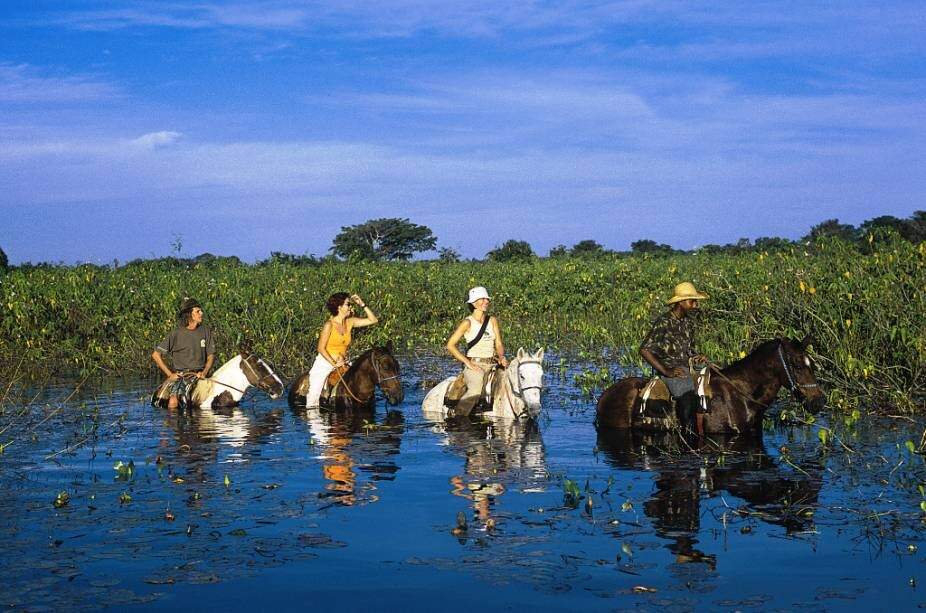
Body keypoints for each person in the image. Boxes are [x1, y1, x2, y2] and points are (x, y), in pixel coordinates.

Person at [639, 282, 709, 435]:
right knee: (687, 395)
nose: (695, 305)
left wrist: (697, 357)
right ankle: (687, 436)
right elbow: (644, 350)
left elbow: (689, 350)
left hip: (686, 367)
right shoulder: (664, 321)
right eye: (692, 301)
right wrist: (666, 371)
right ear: (681, 302)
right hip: (671, 371)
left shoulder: (688, 322)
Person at [305, 292, 378, 408]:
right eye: (348, 304)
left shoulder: (350, 322)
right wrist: (334, 363)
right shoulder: (329, 325)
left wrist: (362, 304)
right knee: (314, 394)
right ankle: (314, 421)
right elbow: (321, 348)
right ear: (339, 307)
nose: (350, 307)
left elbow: (373, 320)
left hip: (343, 361)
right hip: (325, 362)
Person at [445, 286, 509, 417]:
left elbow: (498, 343)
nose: (486, 301)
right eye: (483, 299)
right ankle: (458, 418)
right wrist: (468, 363)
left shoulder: (492, 320)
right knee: (475, 389)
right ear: (474, 303)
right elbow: (450, 345)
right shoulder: (467, 323)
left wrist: (502, 357)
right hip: (475, 365)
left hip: (493, 363)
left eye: (487, 299)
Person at [152, 297, 216, 410]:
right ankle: (174, 425)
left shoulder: (205, 331)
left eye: (201, 310)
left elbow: (211, 356)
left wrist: (204, 372)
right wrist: (170, 375)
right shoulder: (176, 334)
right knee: (173, 402)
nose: (201, 313)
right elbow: (156, 355)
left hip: (200, 374)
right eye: (198, 311)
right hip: (182, 376)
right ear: (189, 314)